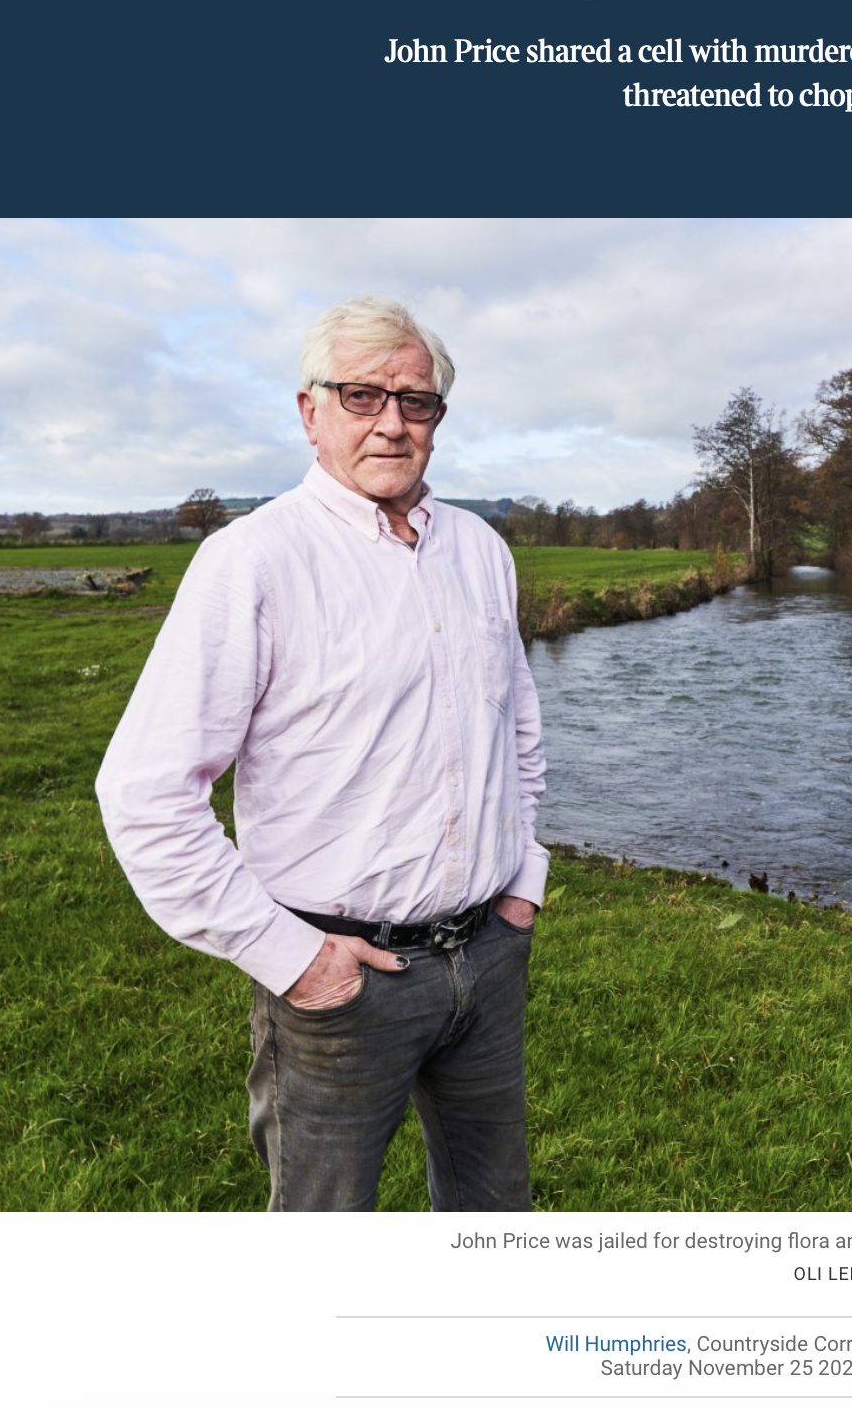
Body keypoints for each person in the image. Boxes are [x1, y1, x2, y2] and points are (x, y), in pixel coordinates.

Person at [96, 297, 548, 1211]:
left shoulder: (481, 550)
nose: (391, 422)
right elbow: (146, 793)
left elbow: (517, 729)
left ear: (439, 419)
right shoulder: (252, 562)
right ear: (311, 411)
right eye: (362, 396)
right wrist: (291, 956)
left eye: (415, 401)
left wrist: (523, 875)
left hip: (488, 962)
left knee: (494, 1217)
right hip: (341, 985)